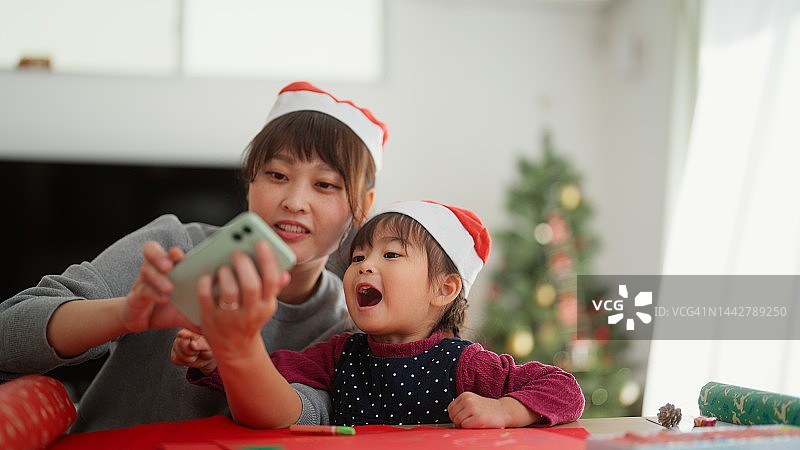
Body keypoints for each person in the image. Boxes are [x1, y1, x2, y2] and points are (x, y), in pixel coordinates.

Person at [0, 81, 388, 432]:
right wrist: (125, 314)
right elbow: (9, 333)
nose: (294, 201)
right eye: (276, 175)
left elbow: (306, 418)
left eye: (324, 185)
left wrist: (236, 348)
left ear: (362, 206)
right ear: (250, 180)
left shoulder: (348, 323)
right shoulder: (176, 246)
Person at [175, 201, 585, 428]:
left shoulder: (467, 364)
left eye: (391, 255)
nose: (364, 266)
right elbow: (270, 372)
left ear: (443, 289)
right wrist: (219, 359)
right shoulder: (340, 355)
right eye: (358, 256)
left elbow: (564, 388)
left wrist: (507, 409)